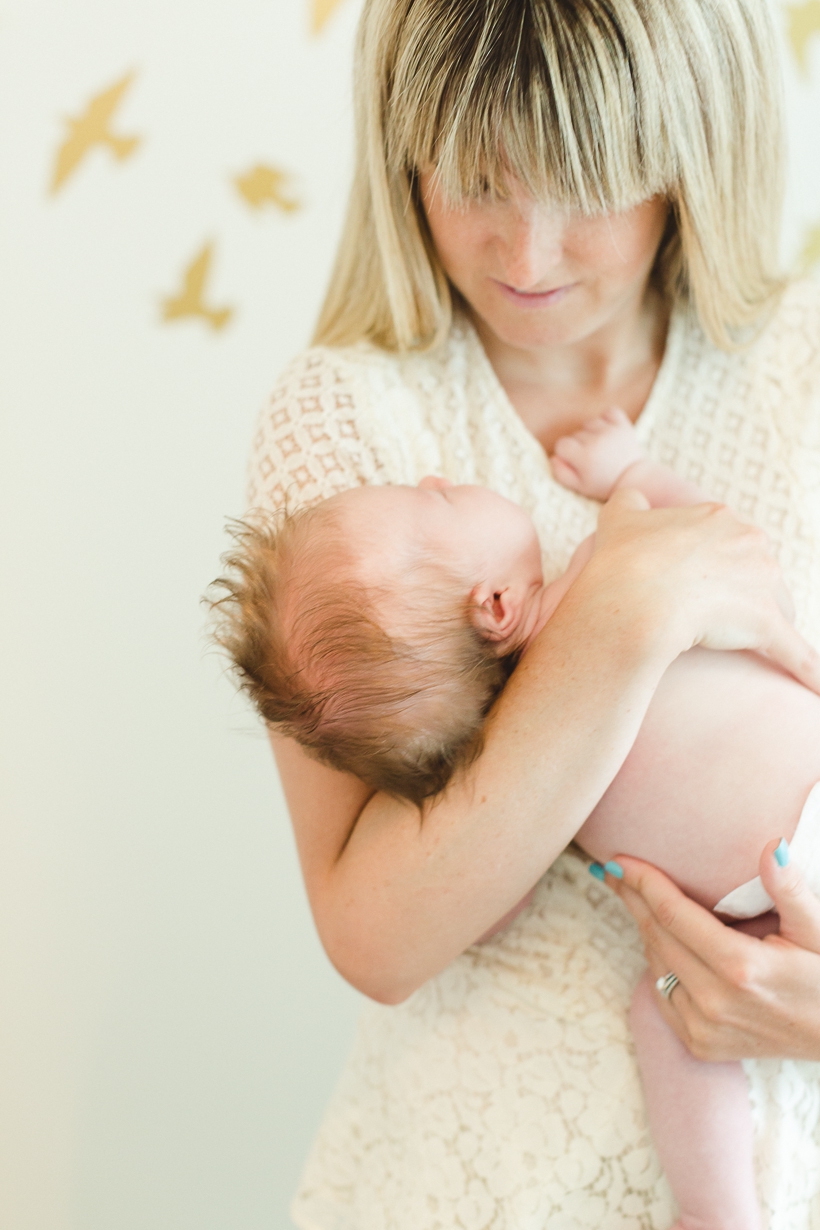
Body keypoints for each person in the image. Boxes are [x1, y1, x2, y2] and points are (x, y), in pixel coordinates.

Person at [244, 0, 820, 1223]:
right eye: (480, 179)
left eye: (587, 182)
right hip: (467, 1176)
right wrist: (619, 620)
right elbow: (381, 935)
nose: (527, 250)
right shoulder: (350, 432)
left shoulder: (803, 366)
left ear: (689, 154)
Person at [218, 406, 820, 1229]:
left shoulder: (513, 751)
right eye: (439, 502)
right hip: (757, 897)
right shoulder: (598, 577)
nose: (438, 478)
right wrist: (631, 479)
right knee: (672, 1003)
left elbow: (493, 910)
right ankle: (720, 1211)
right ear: (496, 605)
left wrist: (630, 470)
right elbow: (693, 523)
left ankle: (718, 1211)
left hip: (784, 840)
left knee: (663, 1016)